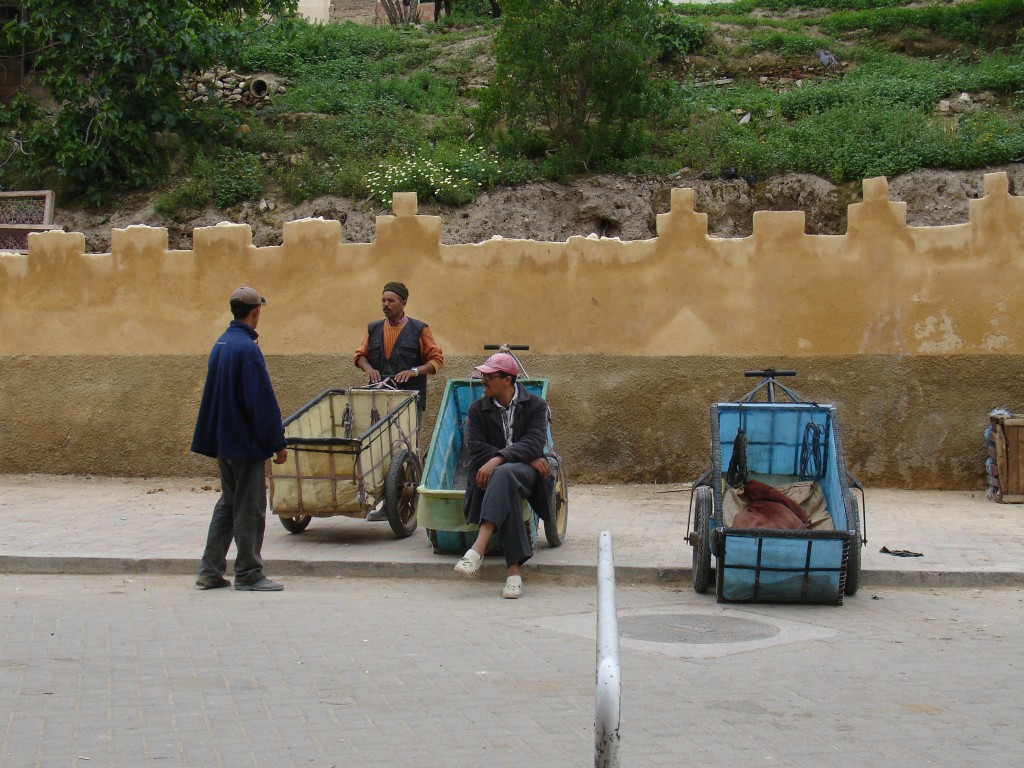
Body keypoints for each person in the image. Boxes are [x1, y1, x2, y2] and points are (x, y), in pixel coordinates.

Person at [192, 286, 289, 592]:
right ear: (256, 312)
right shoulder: (247, 350)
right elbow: (260, 401)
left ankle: (209, 571)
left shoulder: (221, 343)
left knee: (228, 503)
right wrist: (277, 442)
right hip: (244, 443)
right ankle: (248, 572)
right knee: (249, 506)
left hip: (224, 440)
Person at [454, 352, 553, 599]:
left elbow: (536, 442)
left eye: (489, 377)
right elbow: (476, 449)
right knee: (505, 478)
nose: (483, 381)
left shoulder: (536, 405)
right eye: (482, 376)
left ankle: (478, 548)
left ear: (507, 379)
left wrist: (499, 458)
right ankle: (513, 573)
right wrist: (522, 454)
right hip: (500, 475)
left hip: (527, 474)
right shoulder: (477, 409)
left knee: (504, 471)